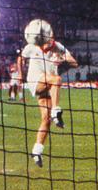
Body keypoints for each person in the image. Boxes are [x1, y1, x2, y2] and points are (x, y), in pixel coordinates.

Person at [19, 27, 78, 167]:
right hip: (36, 81)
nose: (50, 40)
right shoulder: (32, 46)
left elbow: (75, 63)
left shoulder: (58, 47)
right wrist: (21, 75)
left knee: (46, 120)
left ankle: (36, 151)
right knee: (57, 79)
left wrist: (63, 59)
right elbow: (20, 58)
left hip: (47, 85)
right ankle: (56, 112)